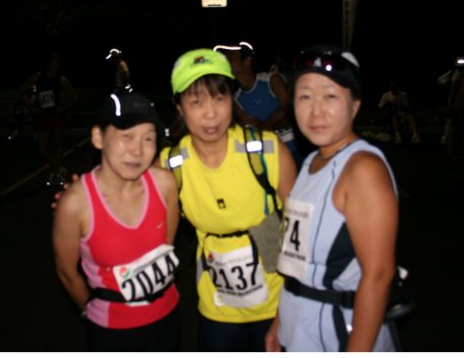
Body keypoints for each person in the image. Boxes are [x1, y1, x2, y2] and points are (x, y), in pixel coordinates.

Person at [265, 44, 400, 352]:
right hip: (300, 325)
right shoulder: (311, 162)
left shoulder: (362, 169)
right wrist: (280, 322)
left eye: (330, 96)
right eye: (304, 97)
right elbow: (298, 259)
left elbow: (378, 276)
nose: (316, 111)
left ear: (354, 106)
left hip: (339, 332)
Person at [162, 48, 297, 352]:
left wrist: (289, 308)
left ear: (231, 100)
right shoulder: (170, 164)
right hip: (216, 304)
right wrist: (83, 195)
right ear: (179, 107)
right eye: (196, 102)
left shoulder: (268, 151)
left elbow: (300, 238)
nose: (210, 113)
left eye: (219, 98)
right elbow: (132, 207)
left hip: (276, 300)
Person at [52, 91, 181, 351]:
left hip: (168, 315)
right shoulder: (75, 204)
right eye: (126, 136)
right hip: (111, 330)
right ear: (98, 137)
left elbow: (166, 244)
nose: (138, 150)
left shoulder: (165, 183)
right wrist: (90, 312)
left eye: (148, 138)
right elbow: (67, 273)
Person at [214, 41, 302, 167]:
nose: (228, 60)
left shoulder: (271, 80)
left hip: (295, 150)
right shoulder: (236, 100)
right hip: (269, 157)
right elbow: (252, 131)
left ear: (247, 61)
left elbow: (290, 114)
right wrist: (274, 118)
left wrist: (264, 125)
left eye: (232, 56)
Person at [19, 52, 77, 186]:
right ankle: (58, 169)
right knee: (42, 147)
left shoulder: (61, 80)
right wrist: (31, 107)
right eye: (53, 64)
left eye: (58, 64)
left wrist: (63, 108)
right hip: (41, 114)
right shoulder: (38, 77)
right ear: (48, 64)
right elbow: (21, 91)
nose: (56, 66)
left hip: (55, 115)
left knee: (58, 144)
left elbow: (73, 96)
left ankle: (56, 173)